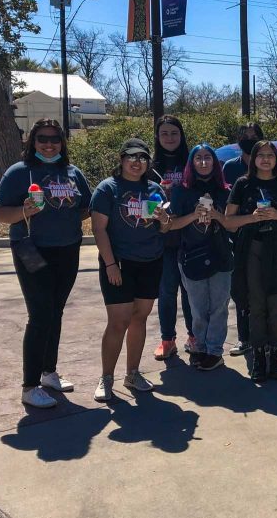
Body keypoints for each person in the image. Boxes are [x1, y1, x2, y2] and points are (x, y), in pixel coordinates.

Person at [0, 119, 92, 409]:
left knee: (56, 311)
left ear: (62, 142)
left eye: (54, 139)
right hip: (31, 249)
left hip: (68, 249)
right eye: (42, 139)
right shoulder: (19, 173)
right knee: (40, 315)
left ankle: (49, 372)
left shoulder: (72, 173)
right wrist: (22, 211)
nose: (49, 144)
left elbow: (86, 207)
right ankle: (30, 385)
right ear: (32, 142)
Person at [89, 138, 169, 401]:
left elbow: (165, 228)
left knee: (139, 318)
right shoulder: (108, 189)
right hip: (119, 262)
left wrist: (165, 220)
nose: (137, 163)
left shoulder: (155, 189)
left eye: (143, 158)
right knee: (119, 321)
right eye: (132, 157)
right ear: (122, 160)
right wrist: (110, 264)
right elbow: (99, 229)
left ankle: (132, 373)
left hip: (150, 261)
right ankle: (107, 377)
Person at [227, 140, 277, 381]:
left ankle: (275, 352)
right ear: (252, 158)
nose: (265, 159)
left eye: (270, 155)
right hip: (252, 248)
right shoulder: (243, 184)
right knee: (256, 304)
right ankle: (259, 354)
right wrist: (251, 218)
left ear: (276, 159)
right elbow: (229, 220)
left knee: (276, 305)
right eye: (260, 155)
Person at [169, 144, 234, 371]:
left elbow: (233, 225)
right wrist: (193, 215)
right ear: (191, 163)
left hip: (220, 255)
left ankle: (214, 351)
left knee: (218, 307)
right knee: (197, 308)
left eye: (208, 158)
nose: (204, 162)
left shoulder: (226, 190)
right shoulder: (181, 190)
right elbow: (171, 225)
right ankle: (200, 347)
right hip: (191, 255)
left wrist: (216, 214)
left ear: (215, 163)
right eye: (199, 158)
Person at [151, 115, 194, 360]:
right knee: (167, 291)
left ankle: (194, 335)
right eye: (164, 133)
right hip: (163, 238)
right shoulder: (149, 165)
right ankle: (168, 339)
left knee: (190, 291)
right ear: (157, 137)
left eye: (174, 133)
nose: (169, 138)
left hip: (190, 236)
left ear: (181, 136)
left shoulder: (191, 162)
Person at [221, 122, 265, 358]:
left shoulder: (267, 166)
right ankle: (244, 338)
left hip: (266, 238)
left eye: (254, 136)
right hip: (237, 237)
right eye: (244, 137)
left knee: (265, 289)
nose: (249, 140)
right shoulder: (229, 168)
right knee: (241, 289)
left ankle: (267, 339)